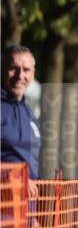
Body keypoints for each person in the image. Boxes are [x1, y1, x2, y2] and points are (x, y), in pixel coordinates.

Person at [1, 44, 40, 197]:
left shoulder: (30, 113)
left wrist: (33, 218)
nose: (20, 75)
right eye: (13, 68)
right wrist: (14, 176)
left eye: (26, 70)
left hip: (25, 213)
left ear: (33, 74)